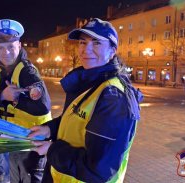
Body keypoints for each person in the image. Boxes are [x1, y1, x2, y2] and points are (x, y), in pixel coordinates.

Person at [29, 18, 143, 183]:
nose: (86, 49)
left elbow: (97, 169)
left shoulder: (113, 97)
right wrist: (49, 130)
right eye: (82, 42)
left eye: (96, 43)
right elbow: (76, 118)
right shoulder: (89, 81)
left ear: (112, 51)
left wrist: (52, 150)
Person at [0, 19, 52, 183]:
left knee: (29, 178)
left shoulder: (27, 72)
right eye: (0, 48)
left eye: (10, 47)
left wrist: (15, 99)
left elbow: (43, 107)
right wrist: (2, 96)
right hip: (12, 136)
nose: (6, 52)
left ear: (19, 46)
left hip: (32, 140)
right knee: (13, 177)